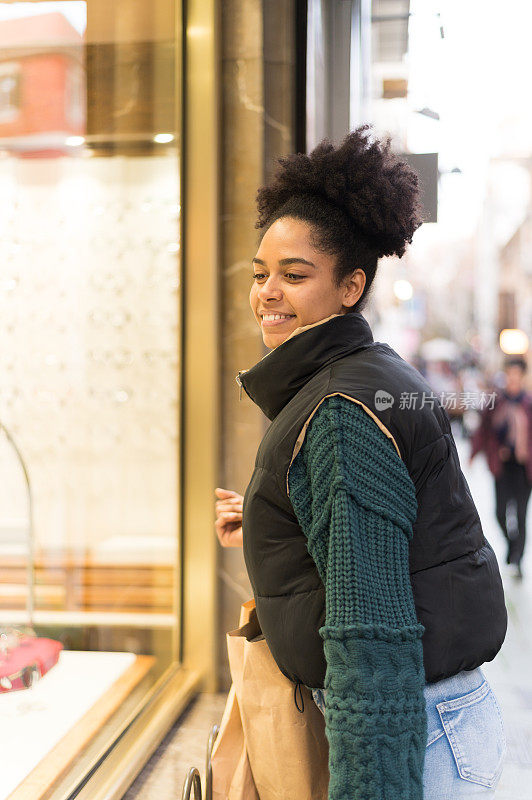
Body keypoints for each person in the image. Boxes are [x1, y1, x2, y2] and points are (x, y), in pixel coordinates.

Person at [214, 126, 507, 799]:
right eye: (260, 274)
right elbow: (374, 550)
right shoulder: (363, 375)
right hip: (440, 716)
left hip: (411, 730)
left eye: (295, 275)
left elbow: (369, 639)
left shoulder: (341, 409)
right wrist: (269, 524)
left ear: (350, 287)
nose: (267, 293)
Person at [469, 356, 532, 579]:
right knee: (500, 513)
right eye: (510, 373)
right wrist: (473, 454)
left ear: (522, 376)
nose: (513, 378)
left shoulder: (528, 402)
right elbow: (482, 430)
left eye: (517, 374)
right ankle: (512, 544)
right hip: (502, 467)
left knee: (522, 515)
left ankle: (517, 560)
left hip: (524, 469)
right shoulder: (496, 401)